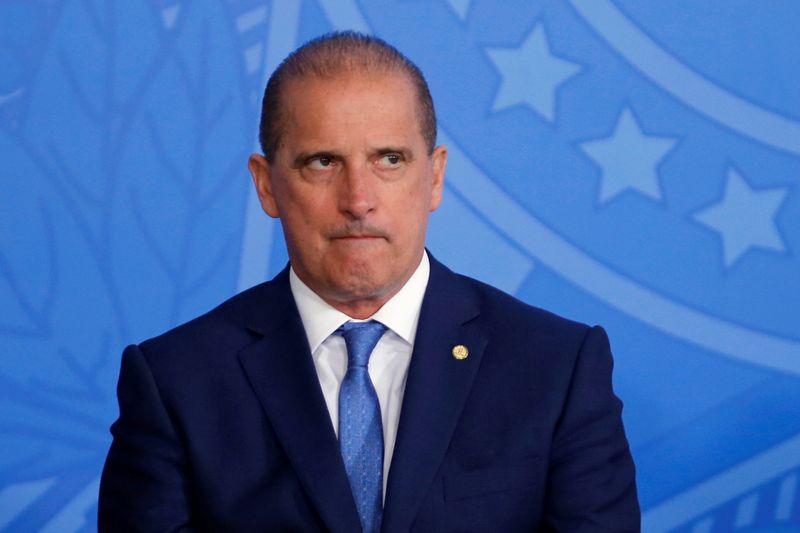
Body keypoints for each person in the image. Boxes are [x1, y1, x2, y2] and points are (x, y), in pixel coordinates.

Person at [99, 31, 639, 532]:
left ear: (434, 177)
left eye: (389, 159)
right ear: (266, 186)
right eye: (322, 162)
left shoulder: (557, 368)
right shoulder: (175, 383)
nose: (358, 199)